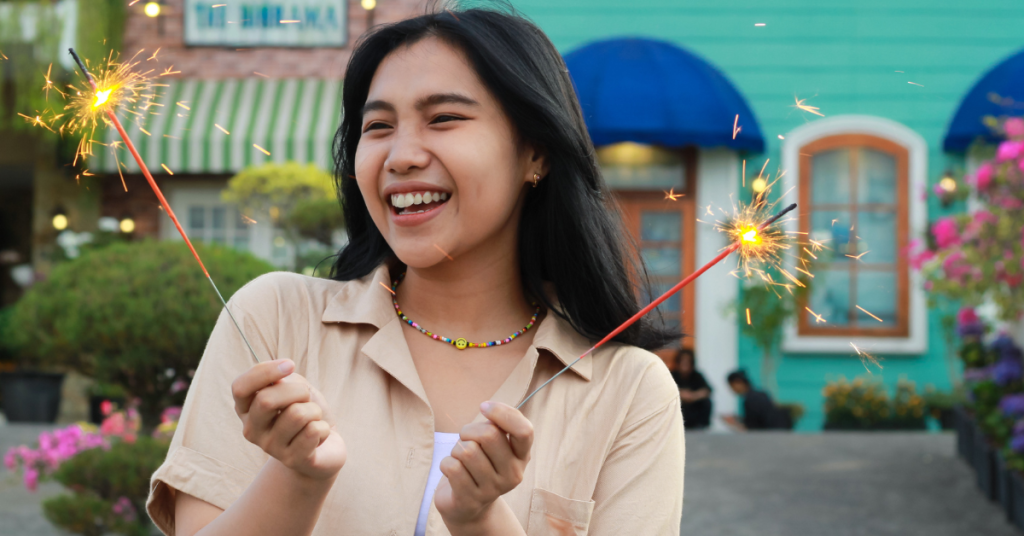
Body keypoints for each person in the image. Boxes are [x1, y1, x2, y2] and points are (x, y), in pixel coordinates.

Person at [147, 7, 685, 536]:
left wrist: (480, 520)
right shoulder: (275, 323)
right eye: (377, 126)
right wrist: (298, 476)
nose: (400, 156)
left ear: (535, 152)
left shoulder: (630, 391)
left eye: (444, 118)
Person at [721, 370, 792, 431]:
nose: (731, 389)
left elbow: (752, 428)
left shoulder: (749, 399)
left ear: (738, 382)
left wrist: (734, 423)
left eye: (731, 385)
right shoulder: (762, 393)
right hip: (779, 431)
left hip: (767, 435)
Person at [669, 348, 712, 429]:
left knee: (706, 402)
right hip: (677, 409)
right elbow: (664, 390)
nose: (685, 364)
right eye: (683, 361)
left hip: (693, 409)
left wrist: (693, 396)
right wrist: (681, 394)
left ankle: (702, 426)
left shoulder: (697, 375)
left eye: (688, 362)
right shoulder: (670, 375)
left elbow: (707, 390)